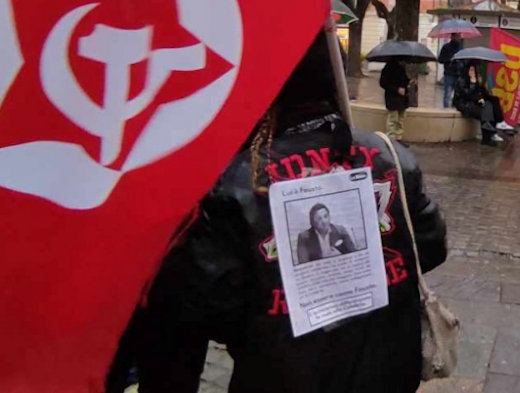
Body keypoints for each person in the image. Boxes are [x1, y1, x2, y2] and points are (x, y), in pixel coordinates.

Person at [107, 27, 447, 393]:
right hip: (387, 373)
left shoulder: (237, 183)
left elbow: (203, 306)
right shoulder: (390, 157)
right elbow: (430, 247)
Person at [453, 63, 505, 147]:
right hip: (464, 103)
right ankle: (486, 138)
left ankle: (495, 126)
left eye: (474, 70)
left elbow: (481, 93)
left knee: (493, 102)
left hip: (476, 100)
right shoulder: (462, 80)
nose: (472, 72)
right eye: (471, 70)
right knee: (485, 111)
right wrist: (473, 84)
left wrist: (481, 86)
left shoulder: (477, 79)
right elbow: (466, 95)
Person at [380, 58, 410, 140]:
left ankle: (398, 138)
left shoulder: (402, 68)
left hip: (402, 99)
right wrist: (397, 89)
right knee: (393, 119)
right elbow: (383, 83)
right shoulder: (389, 68)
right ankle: (391, 139)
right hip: (393, 98)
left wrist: (408, 82)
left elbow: (404, 82)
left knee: (400, 120)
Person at [438, 34, 463, 109]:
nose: (459, 38)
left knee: (457, 94)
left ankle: (455, 109)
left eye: (459, 36)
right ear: (452, 36)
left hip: (458, 74)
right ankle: (446, 110)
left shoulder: (460, 48)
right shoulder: (446, 47)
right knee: (447, 95)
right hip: (449, 74)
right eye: (457, 36)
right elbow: (440, 59)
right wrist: (449, 60)